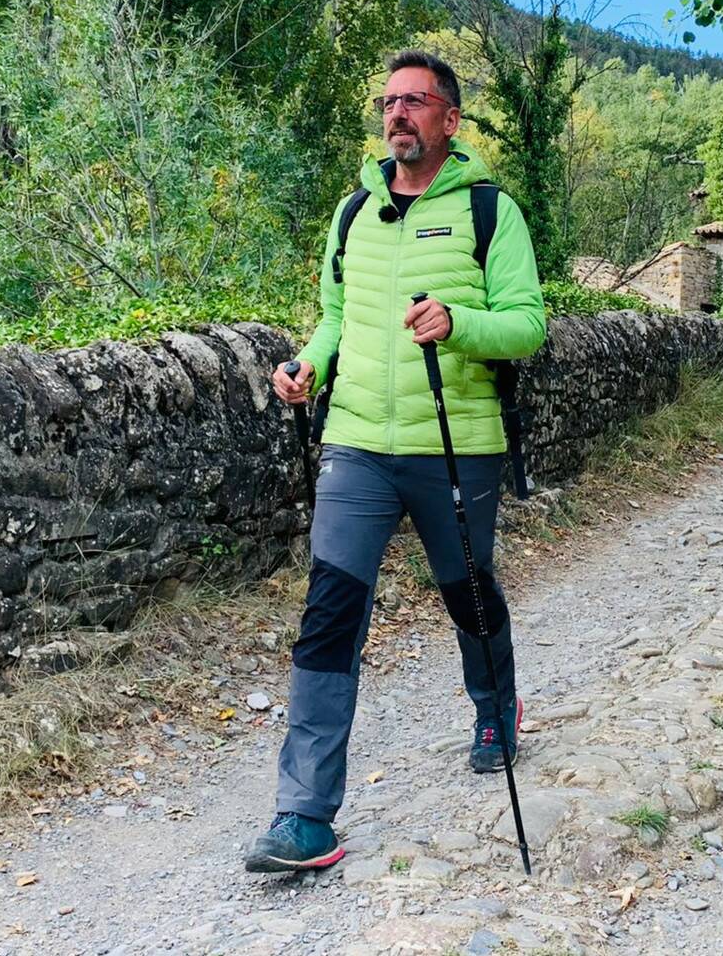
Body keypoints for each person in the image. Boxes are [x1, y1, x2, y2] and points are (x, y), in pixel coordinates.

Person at [243, 50, 547, 873]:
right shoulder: (353, 214)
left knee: (468, 591)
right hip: (356, 448)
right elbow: (336, 318)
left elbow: (526, 324)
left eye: (417, 102)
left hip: (457, 444)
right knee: (330, 612)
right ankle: (303, 815)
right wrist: (307, 366)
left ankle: (495, 707)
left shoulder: (492, 213)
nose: (399, 114)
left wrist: (461, 322)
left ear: (451, 119)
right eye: (390, 101)